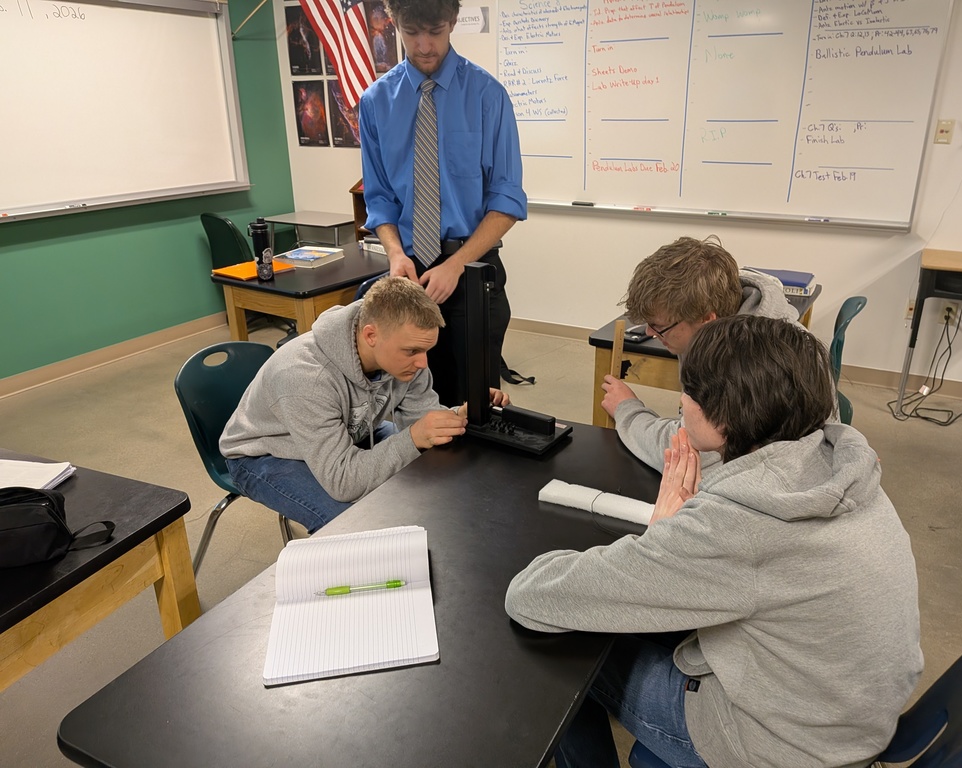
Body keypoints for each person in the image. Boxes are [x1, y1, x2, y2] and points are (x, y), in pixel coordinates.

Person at [506, 315, 922, 768]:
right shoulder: (838, 462)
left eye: (688, 393)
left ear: (722, 415)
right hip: (852, 714)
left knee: (558, 644)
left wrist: (665, 535)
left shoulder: (739, 525)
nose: (680, 404)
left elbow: (532, 595)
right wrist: (681, 540)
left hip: (785, 749)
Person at [220, 277, 508, 533]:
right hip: (265, 453)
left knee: (432, 467)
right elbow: (343, 482)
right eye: (412, 351)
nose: (422, 363)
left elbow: (423, 421)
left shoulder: (406, 357)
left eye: (426, 350)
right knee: (352, 524)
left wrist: (460, 415)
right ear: (371, 335)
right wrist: (413, 438)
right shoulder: (304, 378)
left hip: (349, 430)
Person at [359, 0, 528, 406]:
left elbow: (507, 200)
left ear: (453, 21)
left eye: (434, 31)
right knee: (412, 401)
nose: (423, 45)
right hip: (409, 273)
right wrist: (395, 253)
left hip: (472, 270)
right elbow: (380, 197)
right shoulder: (376, 101)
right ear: (394, 23)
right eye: (411, 32)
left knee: (474, 404)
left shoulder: (488, 95)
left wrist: (456, 265)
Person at [601, 235, 804, 470]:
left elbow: (685, 453)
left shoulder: (751, 368)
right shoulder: (713, 325)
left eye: (659, 327)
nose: (649, 332)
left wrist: (627, 408)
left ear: (707, 319)